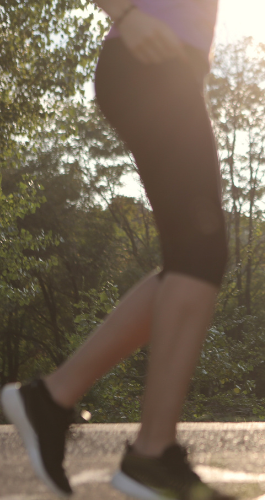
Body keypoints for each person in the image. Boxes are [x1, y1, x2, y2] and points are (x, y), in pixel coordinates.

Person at [1, 1, 234, 499]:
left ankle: (51, 399)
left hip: (169, 72)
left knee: (190, 259)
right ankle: (151, 456)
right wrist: (126, 13)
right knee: (200, 254)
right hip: (147, 61)